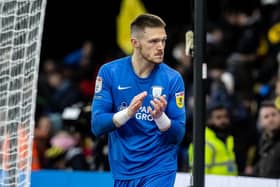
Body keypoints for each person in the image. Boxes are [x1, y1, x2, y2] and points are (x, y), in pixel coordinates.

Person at [91, 13, 186, 186]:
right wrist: (128, 113)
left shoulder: (173, 79)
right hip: (123, 171)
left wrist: (160, 117)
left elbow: (178, 134)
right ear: (135, 43)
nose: (161, 47)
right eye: (153, 41)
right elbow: (97, 125)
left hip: (160, 169)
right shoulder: (109, 72)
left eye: (163, 40)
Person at [188, 104, 238, 176]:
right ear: (209, 120)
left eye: (225, 117)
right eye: (218, 117)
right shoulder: (204, 142)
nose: (223, 120)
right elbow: (199, 174)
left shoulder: (228, 139)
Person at [251, 100, 280, 178]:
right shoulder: (263, 140)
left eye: (274, 115)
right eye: (266, 116)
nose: (271, 119)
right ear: (261, 122)